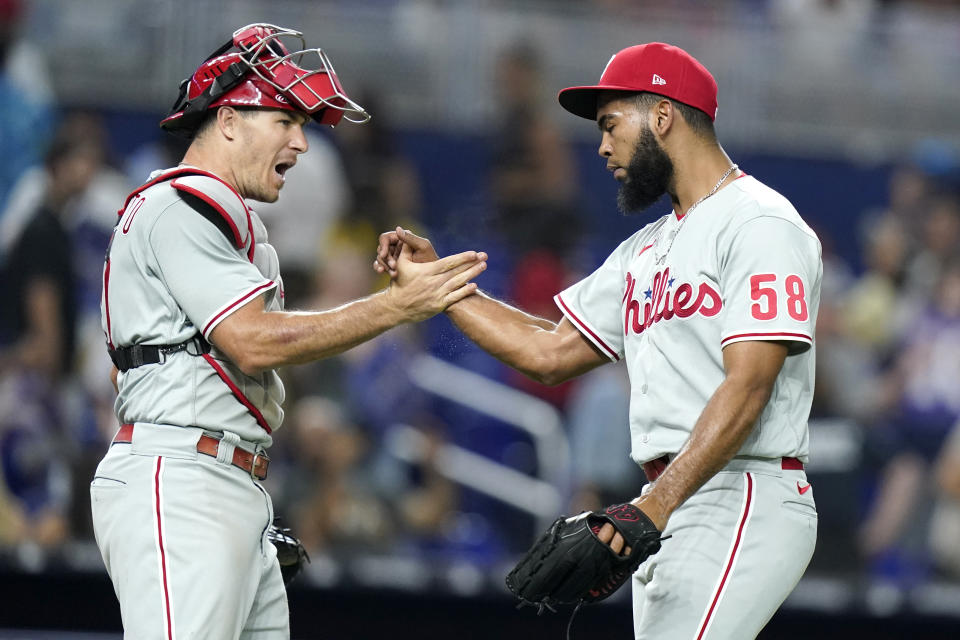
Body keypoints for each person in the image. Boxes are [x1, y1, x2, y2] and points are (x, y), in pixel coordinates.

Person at [377, 42, 821, 639]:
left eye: (612, 124)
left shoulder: (759, 222)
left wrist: (652, 508)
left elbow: (751, 383)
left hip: (744, 489)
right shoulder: (645, 249)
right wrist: (443, 288)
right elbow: (549, 351)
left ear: (662, 116)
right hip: (670, 498)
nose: (602, 146)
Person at [91, 23, 486, 639]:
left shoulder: (236, 226)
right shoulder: (180, 205)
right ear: (227, 120)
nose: (302, 143)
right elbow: (251, 338)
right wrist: (393, 307)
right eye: (285, 120)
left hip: (226, 479)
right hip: (183, 479)